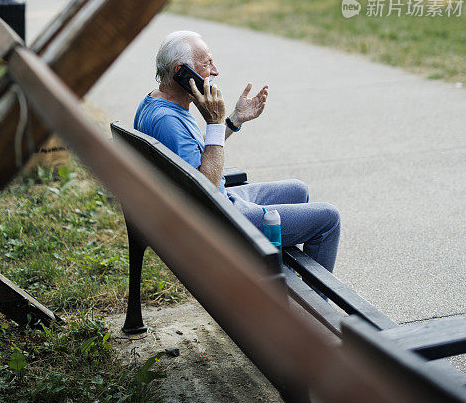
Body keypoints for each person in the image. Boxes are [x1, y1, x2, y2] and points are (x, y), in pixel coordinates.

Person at [134, 30, 340, 273]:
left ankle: (280, 278)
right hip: (219, 221)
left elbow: (193, 153)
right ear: (181, 72)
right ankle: (309, 306)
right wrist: (215, 122)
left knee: (298, 189)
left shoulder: (157, 103)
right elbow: (205, 189)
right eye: (207, 63)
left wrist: (233, 120)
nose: (215, 71)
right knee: (329, 219)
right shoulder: (167, 120)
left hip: (216, 205)